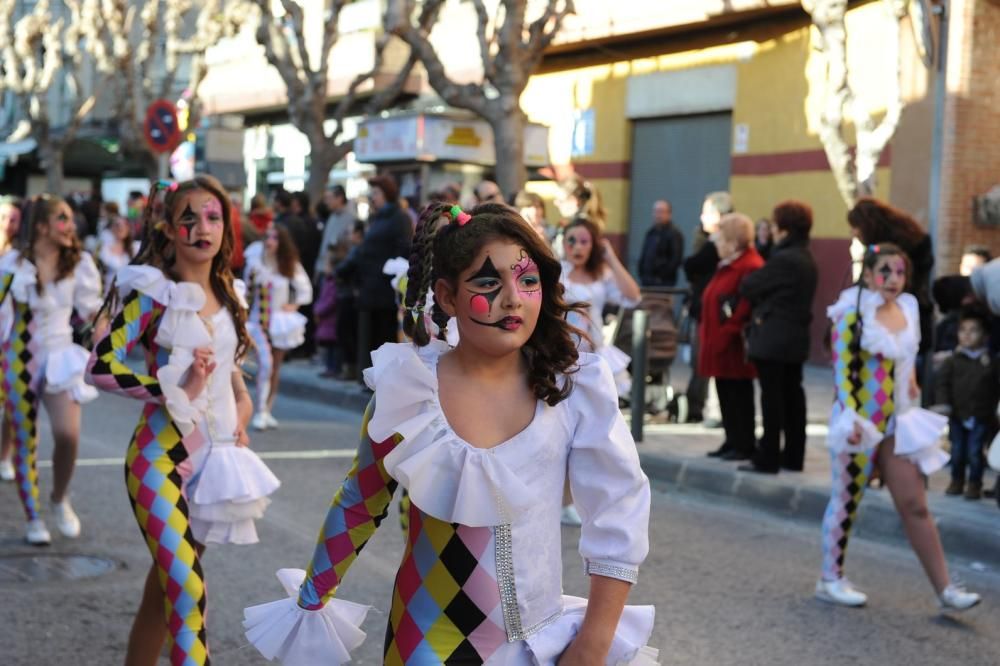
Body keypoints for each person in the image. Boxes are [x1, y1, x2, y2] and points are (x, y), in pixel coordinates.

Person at [243, 202, 656, 665]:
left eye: (528, 280)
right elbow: (361, 501)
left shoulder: (571, 387)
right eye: (487, 282)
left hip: (533, 644)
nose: (512, 298)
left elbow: (617, 511)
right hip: (423, 640)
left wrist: (594, 642)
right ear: (445, 295)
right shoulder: (408, 388)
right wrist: (312, 598)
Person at [88, 175, 279, 665]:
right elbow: (100, 366)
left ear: (226, 227)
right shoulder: (154, 293)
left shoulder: (228, 291)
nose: (202, 228)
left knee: (168, 589)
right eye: (187, 218)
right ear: (170, 230)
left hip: (215, 463)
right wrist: (170, 391)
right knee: (188, 588)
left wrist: (243, 406)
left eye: (213, 217)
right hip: (158, 461)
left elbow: (232, 375)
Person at [818, 243, 980, 610]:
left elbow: (906, 366)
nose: (893, 279)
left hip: (896, 424)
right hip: (858, 425)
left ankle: (945, 589)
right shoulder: (851, 313)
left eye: (900, 272)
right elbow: (843, 375)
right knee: (846, 501)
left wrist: (911, 388)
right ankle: (830, 578)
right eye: (885, 271)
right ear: (869, 273)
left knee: (915, 503)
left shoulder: (907, 309)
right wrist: (851, 420)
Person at [0, 194, 103, 545]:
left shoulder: (78, 263)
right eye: (62, 218)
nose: (70, 225)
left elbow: (93, 312)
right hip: (19, 357)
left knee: (67, 435)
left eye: (70, 218)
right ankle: (33, 518)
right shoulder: (12, 263)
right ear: (41, 225)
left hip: (60, 355)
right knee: (26, 439)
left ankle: (59, 497)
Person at [739, 201, 818, 473]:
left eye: (774, 225)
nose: (771, 231)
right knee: (793, 396)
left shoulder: (786, 259)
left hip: (774, 338)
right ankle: (793, 455)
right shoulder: (804, 256)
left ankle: (769, 455)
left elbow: (749, 285)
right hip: (794, 337)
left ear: (784, 228)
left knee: (773, 398)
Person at [698, 213, 763, 461]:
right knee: (725, 391)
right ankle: (731, 440)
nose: (715, 242)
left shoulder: (749, 265)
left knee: (739, 393)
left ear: (733, 241)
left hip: (734, 344)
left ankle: (743, 443)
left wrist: (728, 332)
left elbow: (745, 306)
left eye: (720, 237)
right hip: (719, 341)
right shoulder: (730, 263)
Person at [244, 224, 313, 430]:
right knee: (265, 364)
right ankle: (259, 410)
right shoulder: (255, 263)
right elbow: (245, 291)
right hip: (258, 322)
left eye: (274, 237)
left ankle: (266, 409)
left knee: (275, 367)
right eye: (268, 236)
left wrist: (294, 305)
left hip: (281, 321)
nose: (270, 241)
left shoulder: (289, 265)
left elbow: (305, 290)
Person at [847, 198, 934, 354]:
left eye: (855, 226)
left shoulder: (881, 253)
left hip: (893, 322)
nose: (853, 232)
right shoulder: (914, 240)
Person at [932, 306, 998, 499]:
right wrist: (944, 404)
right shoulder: (953, 360)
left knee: (975, 452)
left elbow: (995, 386)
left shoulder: (991, 362)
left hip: (981, 414)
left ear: (984, 335)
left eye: (973, 330)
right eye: (963, 330)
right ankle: (957, 480)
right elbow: (942, 384)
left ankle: (974, 484)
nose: (967, 335)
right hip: (957, 414)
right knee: (958, 450)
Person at [350, 174, 411, 375]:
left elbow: (403, 251)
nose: (372, 197)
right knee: (373, 337)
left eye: (376, 193)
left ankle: (385, 378)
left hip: (385, 289)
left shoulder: (398, 218)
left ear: (387, 194)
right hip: (371, 287)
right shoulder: (377, 218)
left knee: (384, 336)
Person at [683, 191, 733, 426]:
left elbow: (692, 266)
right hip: (703, 308)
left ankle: (706, 409)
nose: (701, 217)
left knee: (705, 361)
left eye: (706, 211)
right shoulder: (705, 239)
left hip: (712, 311)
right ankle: (700, 407)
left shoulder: (719, 242)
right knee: (700, 361)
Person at [0, 196, 20, 482]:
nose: (8, 224)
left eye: (14, 219)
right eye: (4, 217)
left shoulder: (21, 259)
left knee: (13, 403)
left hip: (12, 339)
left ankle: (4, 455)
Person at [638, 199, 684, 287]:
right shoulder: (651, 233)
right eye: (656, 211)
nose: (658, 215)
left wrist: (661, 277)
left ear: (669, 214)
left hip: (663, 284)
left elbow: (675, 259)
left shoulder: (674, 234)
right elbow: (644, 255)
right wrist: (642, 274)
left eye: (661, 212)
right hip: (646, 282)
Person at [316, 185, 356, 276]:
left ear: (340, 198)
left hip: (337, 271)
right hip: (323, 268)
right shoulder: (332, 216)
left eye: (329, 198)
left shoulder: (350, 218)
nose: (326, 202)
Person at [313, 248, 340, 378]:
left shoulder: (332, 282)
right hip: (326, 319)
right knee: (328, 345)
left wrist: (318, 310)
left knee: (332, 346)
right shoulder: (327, 280)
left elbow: (330, 300)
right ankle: (329, 366)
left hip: (330, 319)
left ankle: (332, 367)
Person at [97, 212, 138, 290]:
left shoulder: (135, 248)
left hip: (129, 294)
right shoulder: (104, 250)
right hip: (109, 292)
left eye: (124, 225)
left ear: (128, 228)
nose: (121, 228)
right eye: (117, 225)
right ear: (112, 228)